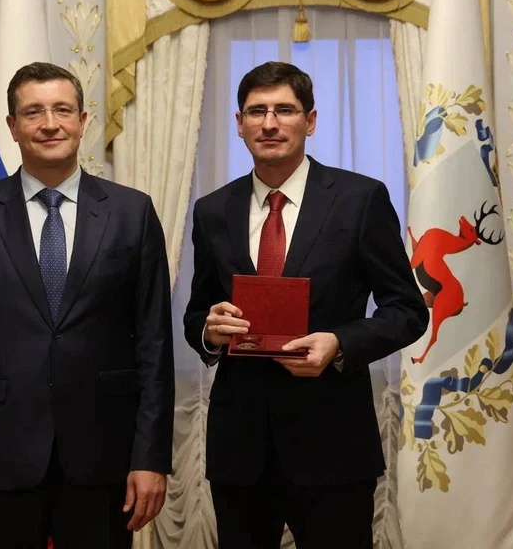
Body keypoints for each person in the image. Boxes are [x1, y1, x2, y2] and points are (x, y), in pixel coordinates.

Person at [0, 61, 174, 548]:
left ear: (83, 121)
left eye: (62, 110)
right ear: (12, 126)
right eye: (33, 112)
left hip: (104, 457)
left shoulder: (132, 212)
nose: (49, 123)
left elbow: (154, 345)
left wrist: (151, 458)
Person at [183, 61, 428, 549]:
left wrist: (339, 343)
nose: (270, 123)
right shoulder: (213, 210)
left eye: (285, 110)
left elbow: (407, 310)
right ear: (240, 124)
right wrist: (208, 331)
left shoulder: (360, 199)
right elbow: (198, 312)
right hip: (240, 446)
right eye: (257, 111)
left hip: (332, 440)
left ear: (310, 121)